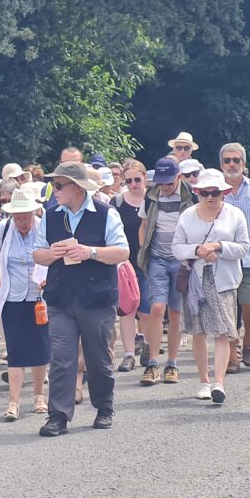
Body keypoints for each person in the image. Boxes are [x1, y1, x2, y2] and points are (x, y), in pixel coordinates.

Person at [33, 162, 129, 436]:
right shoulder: (50, 216)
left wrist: (90, 252)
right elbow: (37, 254)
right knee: (61, 357)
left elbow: (122, 252)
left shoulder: (105, 213)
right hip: (60, 297)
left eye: (59, 185)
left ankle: (104, 406)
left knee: (98, 356)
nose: (55, 191)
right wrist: (52, 253)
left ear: (76, 187)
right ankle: (58, 415)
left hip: (96, 298)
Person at [172, 169, 250, 403]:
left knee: (223, 331)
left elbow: (244, 247)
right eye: (205, 192)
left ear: (224, 192)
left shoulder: (235, 214)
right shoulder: (187, 215)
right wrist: (197, 250)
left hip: (224, 280)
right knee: (199, 330)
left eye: (215, 192)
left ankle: (219, 382)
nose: (210, 197)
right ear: (197, 192)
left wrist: (218, 247)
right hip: (195, 279)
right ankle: (203, 381)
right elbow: (176, 248)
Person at [0, 187, 50, 421]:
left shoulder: (44, 227)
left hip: (38, 298)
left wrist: (48, 278)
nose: (23, 222)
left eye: (27, 217)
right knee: (16, 350)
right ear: (12, 216)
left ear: (34, 213)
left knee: (41, 348)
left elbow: (55, 256)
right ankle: (13, 402)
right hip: (12, 298)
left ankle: (39, 396)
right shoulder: (3, 229)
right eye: (19, 218)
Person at [137, 156, 197, 386]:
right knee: (156, 307)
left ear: (178, 177)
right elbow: (143, 226)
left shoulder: (190, 196)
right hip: (158, 259)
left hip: (181, 260)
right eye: (161, 182)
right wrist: (144, 251)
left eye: (169, 182)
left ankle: (172, 363)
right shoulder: (151, 196)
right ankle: (153, 362)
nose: (165, 186)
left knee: (175, 312)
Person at [219, 144, 250, 372]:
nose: (231, 165)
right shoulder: (215, 190)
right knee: (228, 309)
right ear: (221, 164)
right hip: (224, 259)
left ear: (244, 164)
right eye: (227, 160)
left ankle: (249, 340)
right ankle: (232, 352)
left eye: (236, 160)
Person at [111, 159, 149, 371]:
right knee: (126, 309)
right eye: (129, 180)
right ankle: (128, 354)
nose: (134, 184)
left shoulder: (152, 200)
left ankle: (149, 347)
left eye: (137, 179)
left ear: (144, 178)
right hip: (125, 262)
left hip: (147, 261)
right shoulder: (117, 202)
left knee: (147, 308)